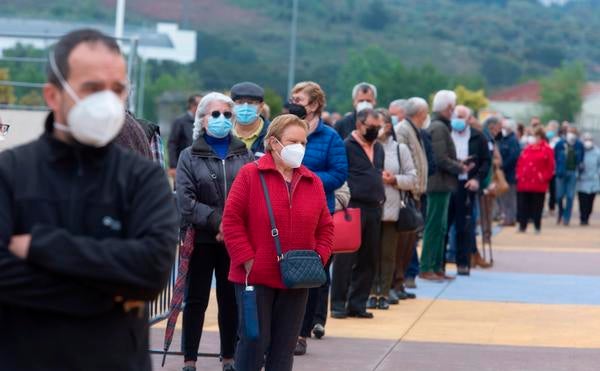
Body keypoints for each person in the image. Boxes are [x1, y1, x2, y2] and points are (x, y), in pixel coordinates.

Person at [0, 29, 178, 370]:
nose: (108, 101)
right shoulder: (11, 173)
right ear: (53, 95)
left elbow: (152, 270)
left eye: (117, 89)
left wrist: (42, 246)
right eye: (92, 88)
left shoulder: (143, 179)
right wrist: (110, 290)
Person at [222, 114, 333, 371]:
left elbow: (326, 227)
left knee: (285, 348)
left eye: (304, 143)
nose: (300, 148)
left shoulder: (312, 181)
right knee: (253, 345)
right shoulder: (250, 174)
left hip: (297, 278)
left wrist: (318, 258)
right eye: (293, 141)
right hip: (256, 277)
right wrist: (248, 259)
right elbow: (231, 221)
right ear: (273, 142)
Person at [176, 92, 254, 371]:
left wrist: (230, 226)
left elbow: (250, 194)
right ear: (202, 119)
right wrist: (217, 222)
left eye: (227, 114)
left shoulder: (242, 153)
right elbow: (185, 201)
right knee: (195, 299)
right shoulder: (189, 155)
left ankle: (229, 357)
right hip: (201, 238)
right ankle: (189, 358)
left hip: (232, 240)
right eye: (215, 114)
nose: (222, 119)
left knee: (229, 299)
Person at [289, 82, 347, 355]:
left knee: (311, 274)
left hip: (316, 213)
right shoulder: (282, 130)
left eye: (298, 98)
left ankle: (302, 332)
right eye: (292, 98)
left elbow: (338, 174)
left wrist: (307, 179)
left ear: (313, 105)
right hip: (282, 211)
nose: (293, 101)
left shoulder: (330, 137)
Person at [331, 108, 385, 319]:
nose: (375, 131)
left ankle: (358, 303)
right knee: (345, 257)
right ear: (359, 124)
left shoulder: (378, 148)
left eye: (378, 127)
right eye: (371, 126)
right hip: (353, 207)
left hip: (374, 207)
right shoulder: (346, 146)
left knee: (369, 258)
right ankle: (338, 303)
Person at [367, 109, 416, 310]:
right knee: (369, 254)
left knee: (388, 254)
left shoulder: (400, 149)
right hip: (371, 206)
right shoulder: (366, 147)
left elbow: (412, 178)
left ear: (389, 126)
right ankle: (370, 291)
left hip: (392, 208)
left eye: (382, 124)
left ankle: (384, 293)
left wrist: (394, 179)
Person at [420, 90, 469, 281]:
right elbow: (441, 159)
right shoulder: (439, 128)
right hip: (438, 184)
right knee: (434, 226)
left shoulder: (439, 126)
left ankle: (435, 267)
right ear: (448, 108)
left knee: (440, 227)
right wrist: (460, 167)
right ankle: (428, 267)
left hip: (441, 183)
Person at [447, 106, 491, 276]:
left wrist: (477, 179)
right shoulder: (447, 133)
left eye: (462, 117)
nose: (458, 119)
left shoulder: (478, 136)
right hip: (448, 184)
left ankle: (463, 263)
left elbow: (486, 162)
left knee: (464, 226)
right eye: (456, 116)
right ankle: (439, 265)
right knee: (445, 226)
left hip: (467, 186)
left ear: (469, 119)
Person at [394, 97, 429, 297]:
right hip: (406, 194)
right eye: (425, 113)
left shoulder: (414, 130)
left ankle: (401, 283)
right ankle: (398, 282)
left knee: (410, 241)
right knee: (404, 242)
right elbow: (403, 162)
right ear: (419, 114)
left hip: (415, 193)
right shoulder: (403, 130)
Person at [516, 127, 555, 233]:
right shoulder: (527, 148)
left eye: (536, 136)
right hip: (524, 182)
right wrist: (519, 175)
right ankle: (522, 226)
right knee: (523, 205)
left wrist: (543, 177)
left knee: (537, 206)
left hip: (538, 183)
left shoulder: (547, 149)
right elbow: (520, 163)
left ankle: (537, 226)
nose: (534, 139)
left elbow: (550, 167)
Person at [554, 126, 584, 226]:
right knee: (559, 196)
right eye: (570, 132)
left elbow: (581, 159)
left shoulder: (579, 145)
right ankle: (560, 212)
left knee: (570, 196)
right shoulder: (560, 144)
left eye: (574, 132)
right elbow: (555, 156)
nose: (572, 134)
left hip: (573, 173)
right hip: (561, 172)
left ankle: (566, 218)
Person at [230, 82, 270, 156]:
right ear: (232, 105)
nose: (245, 107)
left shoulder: (273, 134)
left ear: (261, 106)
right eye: (240, 102)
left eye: (250, 103)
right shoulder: (224, 133)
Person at [168, 94, 202, 178]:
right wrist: (173, 166)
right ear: (192, 105)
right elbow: (172, 144)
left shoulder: (203, 122)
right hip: (183, 165)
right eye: (201, 104)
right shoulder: (180, 122)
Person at [498, 118, 521, 226]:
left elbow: (514, 156)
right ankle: (507, 218)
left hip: (510, 173)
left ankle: (510, 218)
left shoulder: (512, 140)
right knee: (504, 197)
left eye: (505, 127)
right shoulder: (503, 139)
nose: (503, 129)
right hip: (503, 173)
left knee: (510, 198)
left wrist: (503, 166)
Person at [577, 133, 600, 226]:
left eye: (589, 139)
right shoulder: (580, 151)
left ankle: (587, 215)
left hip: (593, 180)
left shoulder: (597, 152)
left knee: (590, 202)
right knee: (582, 201)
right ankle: (583, 218)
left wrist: (597, 174)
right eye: (586, 139)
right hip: (582, 180)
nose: (588, 142)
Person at [545, 120, 560, 216]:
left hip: (554, 169)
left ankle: (552, 207)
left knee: (553, 189)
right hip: (544, 168)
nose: (551, 130)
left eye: (553, 128)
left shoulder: (558, 141)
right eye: (550, 128)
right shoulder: (544, 139)